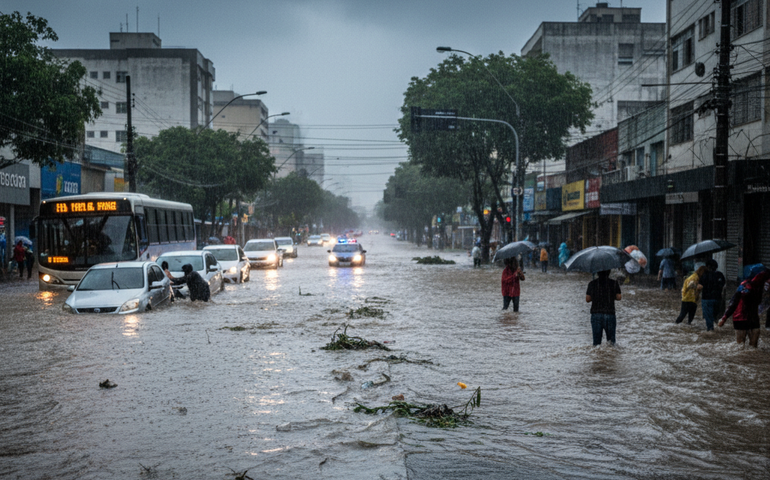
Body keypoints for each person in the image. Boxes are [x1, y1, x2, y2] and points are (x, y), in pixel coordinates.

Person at [718, 264, 770, 347]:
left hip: (753, 317)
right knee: (740, 346)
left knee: (753, 347)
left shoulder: (761, 287)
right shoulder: (745, 285)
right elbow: (734, 301)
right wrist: (724, 317)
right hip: (740, 317)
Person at [585, 270, 622, 346]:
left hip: (596, 314)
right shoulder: (614, 283)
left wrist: (596, 296)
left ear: (597, 273)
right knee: (611, 344)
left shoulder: (592, 284)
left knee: (596, 344)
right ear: (609, 272)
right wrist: (610, 295)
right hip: (610, 314)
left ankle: (597, 357)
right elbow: (619, 297)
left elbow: (587, 299)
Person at [697, 259, 725, 331]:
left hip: (707, 299)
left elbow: (699, 287)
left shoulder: (704, 275)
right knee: (716, 316)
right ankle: (718, 328)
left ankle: (711, 331)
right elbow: (723, 286)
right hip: (717, 299)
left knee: (708, 318)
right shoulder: (720, 275)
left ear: (707, 266)